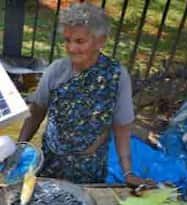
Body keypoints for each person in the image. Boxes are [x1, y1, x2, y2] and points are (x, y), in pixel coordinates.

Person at [17, 3, 151, 186]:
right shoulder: (56, 71)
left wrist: (128, 172)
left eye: (80, 41)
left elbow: (122, 128)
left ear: (100, 41)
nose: (71, 48)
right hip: (51, 163)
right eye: (67, 40)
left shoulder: (116, 77)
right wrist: (20, 147)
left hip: (89, 168)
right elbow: (36, 112)